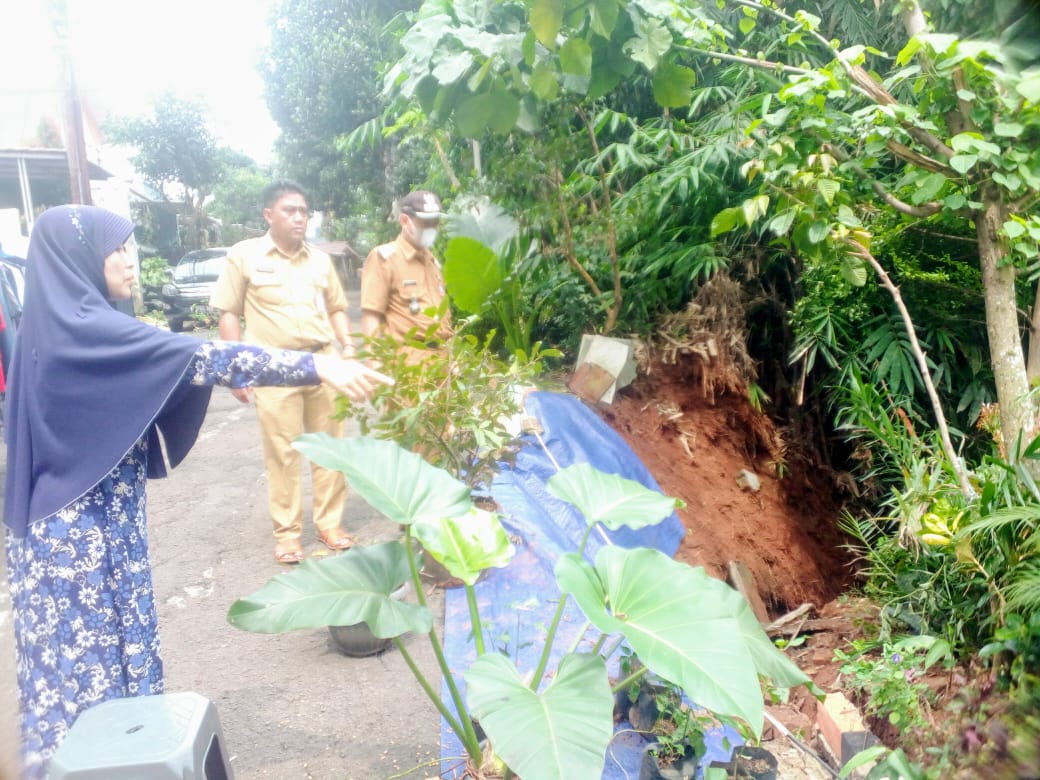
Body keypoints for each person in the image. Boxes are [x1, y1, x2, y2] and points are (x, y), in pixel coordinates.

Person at [2, 204, 391, 778]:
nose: (131, 262)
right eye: (119, 250)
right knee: (94, 676)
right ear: (81, 257)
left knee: (85, 675)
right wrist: (316, 366)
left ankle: (107, 761)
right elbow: (200, 355)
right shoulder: (88, 330)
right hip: (80, 542)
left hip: (69, 531)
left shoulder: (55, 325)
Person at [210, 180, 358, 564]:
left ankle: (329, 524)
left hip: (322, 363)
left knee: (331, 449)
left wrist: (350, 347)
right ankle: (288, 533)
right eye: (289, 210)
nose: (298, 217)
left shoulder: (320, 260)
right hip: (274, 369)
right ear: (268, 215)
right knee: (283, 454)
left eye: (303, 211)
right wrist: (234, 371)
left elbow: (338, 307)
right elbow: (229, 312)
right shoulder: (244, 256)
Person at [360, 190, 453, 360]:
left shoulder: (433, 263)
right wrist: (372, 361)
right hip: (409, 363)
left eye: (435, 222)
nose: (432, 228)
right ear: (404, 221)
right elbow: (371, 315)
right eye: (425, 222)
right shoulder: (385, 258)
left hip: (443, 362)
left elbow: (444, 319)